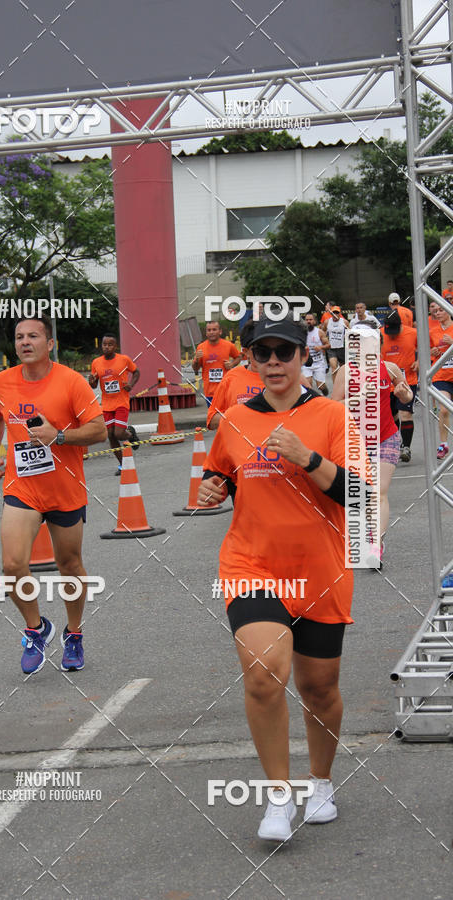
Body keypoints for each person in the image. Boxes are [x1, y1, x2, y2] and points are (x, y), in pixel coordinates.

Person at [198, 314, 365, 843]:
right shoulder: (234, 419)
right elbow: (220, 470)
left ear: (302, 358)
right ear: (249, 359)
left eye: (284, 352)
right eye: (262, 353)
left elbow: (357, 496)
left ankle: (320, 782)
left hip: (319, 569)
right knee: (264, 672)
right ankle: (277, 797)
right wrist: (213, 488)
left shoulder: (333, 415)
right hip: (252, 564)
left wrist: (307, 457)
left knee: (320, 687)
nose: (273, 362)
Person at [0, 315, 107, 675]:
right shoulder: (1, 382)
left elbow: (99, 430)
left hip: (65, 488)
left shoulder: (70, 382)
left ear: (49, 344)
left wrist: (60, 436)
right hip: (22, 488)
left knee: (69, 564)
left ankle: (73, 634)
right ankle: (36, 629)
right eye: (20, 336)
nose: (25, 342)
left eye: (33, 336)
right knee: (12, 565)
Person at [332, 329, 412, 559]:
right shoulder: (346, 372)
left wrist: (403, 393)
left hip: (386, 436)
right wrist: (359, 397)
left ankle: (376, 544)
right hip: (354, 440)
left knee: (379, 492)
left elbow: (406, 398)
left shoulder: (389, 368)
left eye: (373, 344)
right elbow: (334, 406)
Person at [89, 334, 140, 475]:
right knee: (110, 435)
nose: (106, 347)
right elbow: (93, 385)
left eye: (110, 344)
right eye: (104, 344)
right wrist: (91, 381)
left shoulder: (124, 360)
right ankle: (123, 465)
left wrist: (131, 384)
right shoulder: (96, 362)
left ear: (115, 346)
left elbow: (136, 372)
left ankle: (130, 434)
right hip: (106, 404)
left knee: (118, 433)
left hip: (121, 402)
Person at [207, 322, 265, 429]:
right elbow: (211, 419)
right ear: (246, 352)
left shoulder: (284, 380)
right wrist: (237, 415)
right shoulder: (231, 378)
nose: (266, 354)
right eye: (259, 350)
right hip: (238, 443)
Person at [380, 311, 418, 462]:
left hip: (408, 380)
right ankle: (397, 443)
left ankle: (406, 448)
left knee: (405, 414)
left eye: (394, 332)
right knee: (391, 416)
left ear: (401, 325)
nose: (392, 336)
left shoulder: (413, 333)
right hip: (386, 383)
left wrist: (419, 361)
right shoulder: (380, 334)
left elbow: (425, 347)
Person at [192, 321, 240, 407]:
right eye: (209, 330)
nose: (211, 332)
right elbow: (195, 368)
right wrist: (196, 360)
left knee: (227, 416)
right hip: (210, 392)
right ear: (206, 333)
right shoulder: (201, 347)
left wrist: (232, 364)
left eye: (214, 329)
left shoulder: (228, 345)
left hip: (226, 389)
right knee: (214, 417)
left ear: (220, 331)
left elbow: (238, 357)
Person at [429, 305, 453, 459]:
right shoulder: (432, 332)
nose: (437, 313)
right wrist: (433, 352)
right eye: (435, 311)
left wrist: (452, 342)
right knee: (443, 410)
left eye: (441, 310)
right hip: (441, 376)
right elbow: (429, 351)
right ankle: (443, 444)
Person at [302, 312, 330, 394]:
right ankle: (312, 403)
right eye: (306, 320)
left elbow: (328, 345)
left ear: (314, 321)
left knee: (321, 386)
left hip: (319, 363)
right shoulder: (301, 332)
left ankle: (326, 395)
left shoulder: (319, 332)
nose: (308, 321)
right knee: (308, 385)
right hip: (306, 363)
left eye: (310, 319)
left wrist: (320, 347)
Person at [321, 305, 349, 373]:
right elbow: (323, 331)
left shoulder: (345, 322)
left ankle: (342, 382)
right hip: (331, 348)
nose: (335, 314)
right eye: (334, 313)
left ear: (340, 313)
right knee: (334, 368)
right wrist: (325, 341)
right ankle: (335, 384)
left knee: (343, 369)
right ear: (331, 313)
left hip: (342, 348)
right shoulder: (327, 322)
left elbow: (350, 333)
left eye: (337, 312)